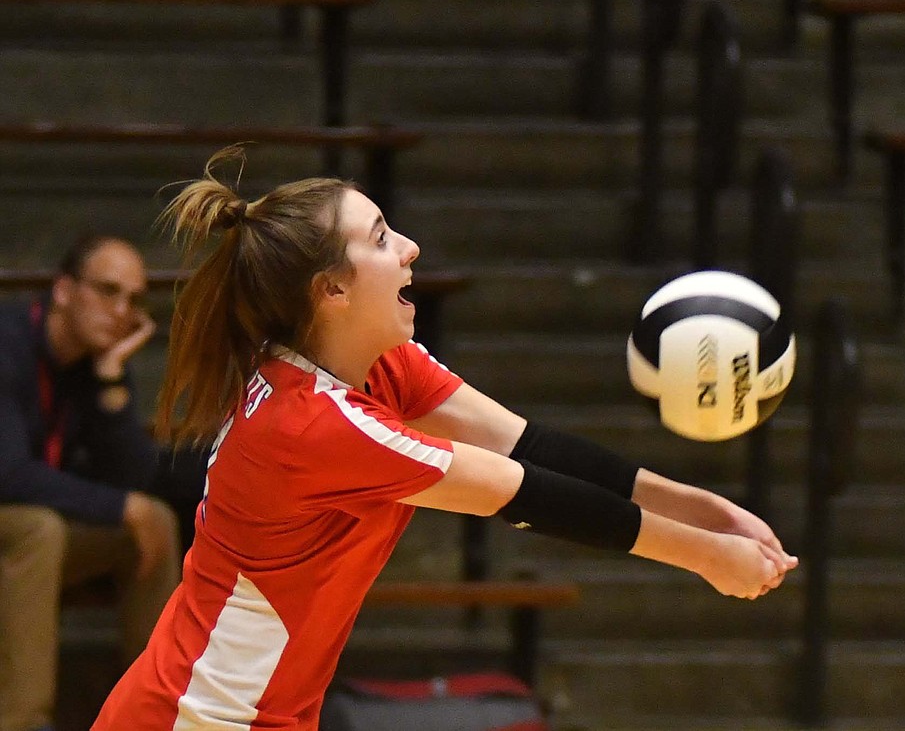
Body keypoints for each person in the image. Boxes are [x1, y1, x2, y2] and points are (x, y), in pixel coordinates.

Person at [92, 146, 799, 731]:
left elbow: (531, 447)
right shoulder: (313, 423)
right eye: (379, 239)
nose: (409, 248)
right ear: (329, 291)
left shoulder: (380, 366)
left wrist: (703, 507)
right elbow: (525, 493)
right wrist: (708, 556)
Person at [0, 235, 182, 731]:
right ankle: (23, 721)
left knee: (156, 521)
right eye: (107, 291)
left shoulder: (96, 363)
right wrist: (124, 506)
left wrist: (110, 380)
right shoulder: (8, 343)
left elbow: (134, 477)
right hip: (21, 526)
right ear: (63, 290)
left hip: (34, 537)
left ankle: (159, 712)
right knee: (41, 528)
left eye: (134, 300)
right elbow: (8, 473)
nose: (121, 311)